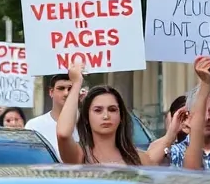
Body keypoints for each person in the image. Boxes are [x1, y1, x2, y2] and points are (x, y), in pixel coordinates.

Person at [56, 57, 201, 168]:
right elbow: (62, 134)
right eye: (98, 110)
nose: (106, 116)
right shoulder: (80, 156)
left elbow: (153, 157)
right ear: (87, 117)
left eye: (112, 109)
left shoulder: (134, 158)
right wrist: (76, 84)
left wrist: (172, 133)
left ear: (121, 116)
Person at [26, 74, 75, 153]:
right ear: (51, 92)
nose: (66, 93)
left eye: (70, 89)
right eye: (61, 88)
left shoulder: (87, 125)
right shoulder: (34, 126)